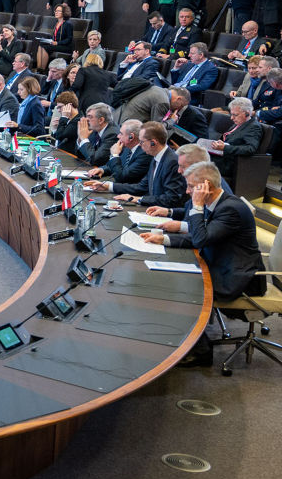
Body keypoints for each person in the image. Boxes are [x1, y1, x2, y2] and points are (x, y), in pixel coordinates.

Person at [139, 161, 262, 367]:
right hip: (220, 262)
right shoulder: (217, 203)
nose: (187, 192)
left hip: (237, 277)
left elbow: (201, 240)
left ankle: (201, 351)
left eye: (190, 187)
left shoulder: (230, 208)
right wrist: (165, 239)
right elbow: (200, 236)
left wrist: (196, 206)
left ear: (207, 188)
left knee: (182, 288)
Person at [87, 122, 184, 208]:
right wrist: (108, 186)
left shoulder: (172, 162)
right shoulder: (156, 157)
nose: (140, 145)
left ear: (153, 143)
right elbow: (142, 186)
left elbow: (170, 199)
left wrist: (139, 199)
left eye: (141, 142)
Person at [210, 97, 263, 180]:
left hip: (232, 163)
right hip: (222, 157)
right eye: (231, 114)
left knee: (198, 162)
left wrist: (225, 147)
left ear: (247, 113)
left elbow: (250, 148)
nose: (231, 118)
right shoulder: (239, 123)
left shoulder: (253, 127)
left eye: (235, 115)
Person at [85, 119, 151, 183]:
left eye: (121, 134)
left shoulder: (144, 154)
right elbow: (118, 165)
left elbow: (122, 177)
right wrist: (102, 170)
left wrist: (115, 155)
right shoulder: (128, 147)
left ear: (131, 137)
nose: (118, 136)